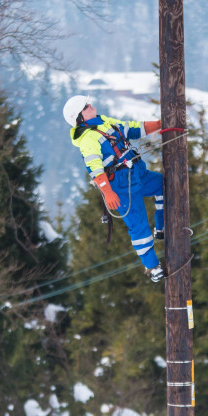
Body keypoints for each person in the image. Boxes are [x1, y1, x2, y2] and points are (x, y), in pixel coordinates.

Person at [63, 94, 168, 282]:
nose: (91, 105)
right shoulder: (87, 139)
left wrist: (161, 124)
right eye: (86, 106)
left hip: (138, 173)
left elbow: (132, 129)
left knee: (164, 185)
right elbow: (94, 169)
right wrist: (108, 192)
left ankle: (161, 228)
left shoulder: (104, 122)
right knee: (138, 225)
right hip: (121, 185)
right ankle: (152, 267)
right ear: (79, 117)